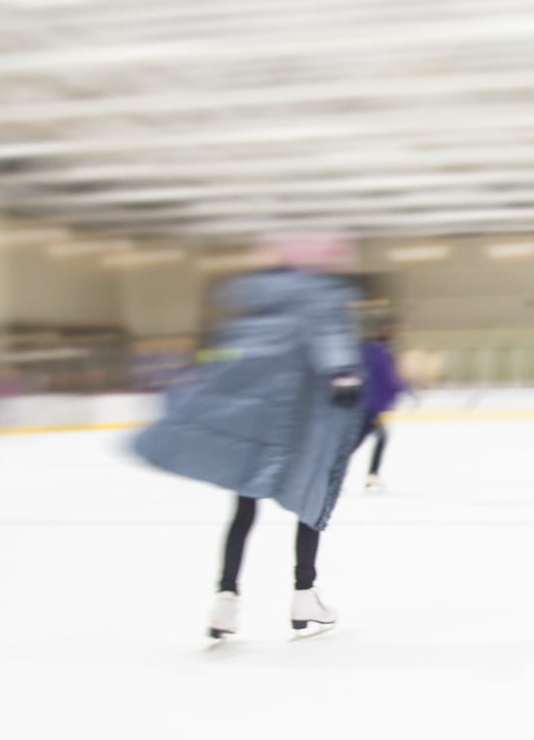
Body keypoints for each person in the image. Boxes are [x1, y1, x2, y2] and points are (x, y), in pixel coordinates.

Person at [132, 242, 364, 640]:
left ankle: (225, 601)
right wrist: (344, 374)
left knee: (242, 510)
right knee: (310, 498)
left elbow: (228, 355)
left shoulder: (260, 305)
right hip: (299, 422)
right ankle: (304, 595)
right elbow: (330, 339)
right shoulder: (322, 296)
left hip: (251, 422)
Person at [358, 328, 410, 490]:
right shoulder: (379, 356)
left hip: (367, 408)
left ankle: (372, 474)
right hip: (368, 408)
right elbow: (387, 381)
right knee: (358, 442)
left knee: (379, 438)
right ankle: (371, 475)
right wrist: (404, 390)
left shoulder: (366, 354)